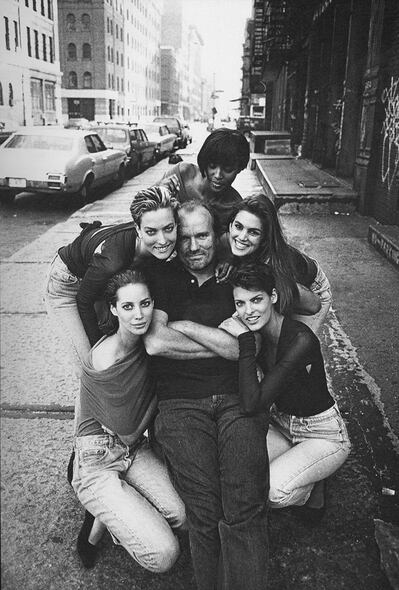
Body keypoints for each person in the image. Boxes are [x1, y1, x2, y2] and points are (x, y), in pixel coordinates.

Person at [143, 200, 270, 590]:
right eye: (185, 237)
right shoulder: (158, 277)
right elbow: (155, 344)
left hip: (237, 396)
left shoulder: (237, 274)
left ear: (216, 235)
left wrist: (185, 326)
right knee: (203, 506)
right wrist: (222, 339)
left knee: (244, 505)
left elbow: (245, 348)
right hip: (179, 403)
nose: (194, 246)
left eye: (202, 235)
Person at [72, 268, 186, 571]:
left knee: (185, 516)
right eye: (128, 306)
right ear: (113, 309)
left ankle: (112, 508)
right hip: (99, 455)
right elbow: (127, 431)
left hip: (134, 450)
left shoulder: (150, 342)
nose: (139, 315)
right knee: (163, 555)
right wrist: (161, 395)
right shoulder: (107, 357)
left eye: (145, 304)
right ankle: (100, 517)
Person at [220, 263, 351, 522]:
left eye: (256, 300)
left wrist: (245, 341)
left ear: (274, 297)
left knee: (272, 492)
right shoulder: (259, 334)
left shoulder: (301, 340)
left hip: (322, 434)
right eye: (240, 304)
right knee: (236, 471)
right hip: (281, 426)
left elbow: (251, 403)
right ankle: (307, 468)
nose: (248, 311)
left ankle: (316, 483)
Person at [44, 185, 178, 375]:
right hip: (67, 284)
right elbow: (84, 301)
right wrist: (98, 351)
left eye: (168, 228)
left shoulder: (165, 245)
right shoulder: (112, 261)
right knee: (91, 369)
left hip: (100, 279)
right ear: (138, 230)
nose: (163, 240)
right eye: (151, 232)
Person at [224, 193, 332, 334]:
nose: (242, 237)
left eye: (253, 232)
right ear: (231, 225)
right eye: (238, 227)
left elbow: (313, 305)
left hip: (312, 291)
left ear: (264, 238)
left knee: (293, 344)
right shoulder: (228, 240)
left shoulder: (272, 268)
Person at [159, 127, 250, 234]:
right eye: (212, 166)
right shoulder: (182, 174)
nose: (218, 175)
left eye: (228, 169)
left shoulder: (234, 207)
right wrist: (160, 190)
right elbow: (144, 208)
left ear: (239, 169)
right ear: (205, 162)